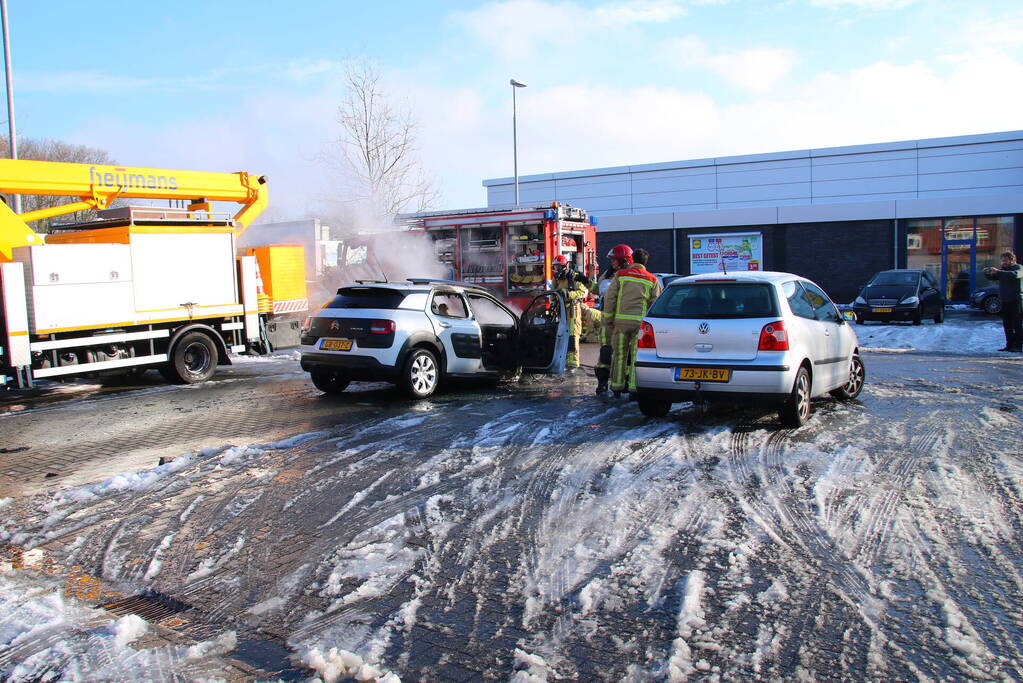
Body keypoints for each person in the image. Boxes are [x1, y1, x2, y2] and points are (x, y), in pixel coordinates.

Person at [602, 245, 661, 397]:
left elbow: (610, 297)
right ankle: (634, 390)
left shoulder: (621, 274)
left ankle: (616, 388)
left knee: (619, 355)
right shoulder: (652, 279)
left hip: (620, 323)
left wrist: (609, 318)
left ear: (632, 259)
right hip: (640, 326)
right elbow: (655, 304)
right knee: (636, 356)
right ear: (645, 262)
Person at [582, 251, 625, 394]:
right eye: (612, 260)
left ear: (623, 260)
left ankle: (622, 385)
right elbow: (596, 289)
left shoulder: (628, 275)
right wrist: (585, 281)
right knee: (605, 352)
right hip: (607, 320)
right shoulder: (607, 274)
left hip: (621, 319)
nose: (612, 262)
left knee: (622, 353)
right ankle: (602, 383)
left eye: (615, 260)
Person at [552, 254, 590, 371]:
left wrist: (568, 294)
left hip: (573, 311)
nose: (556, 269)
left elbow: (583, 292)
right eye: (555, 267)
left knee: (572, 337)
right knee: (562, 337)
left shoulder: (573, 277)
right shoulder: (556, 279)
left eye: (558, 267)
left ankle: (573, 364)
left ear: (564, 266)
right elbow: (553, 293)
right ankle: (563, 361)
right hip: (561, 311)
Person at [983, 251, 1023, 352]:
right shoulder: (1003, 270)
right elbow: (993, 277)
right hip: (1005, 300)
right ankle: (1009, 345)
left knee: (1017, 324)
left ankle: (1018, 346)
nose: (1003, 262)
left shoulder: (1019, 268)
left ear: (1012, 260)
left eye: (1005, 260)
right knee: (1007, 324)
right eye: (1002, 260)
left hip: (1016, 300)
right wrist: (987, 272)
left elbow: (1014, 275)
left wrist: (998, 271)